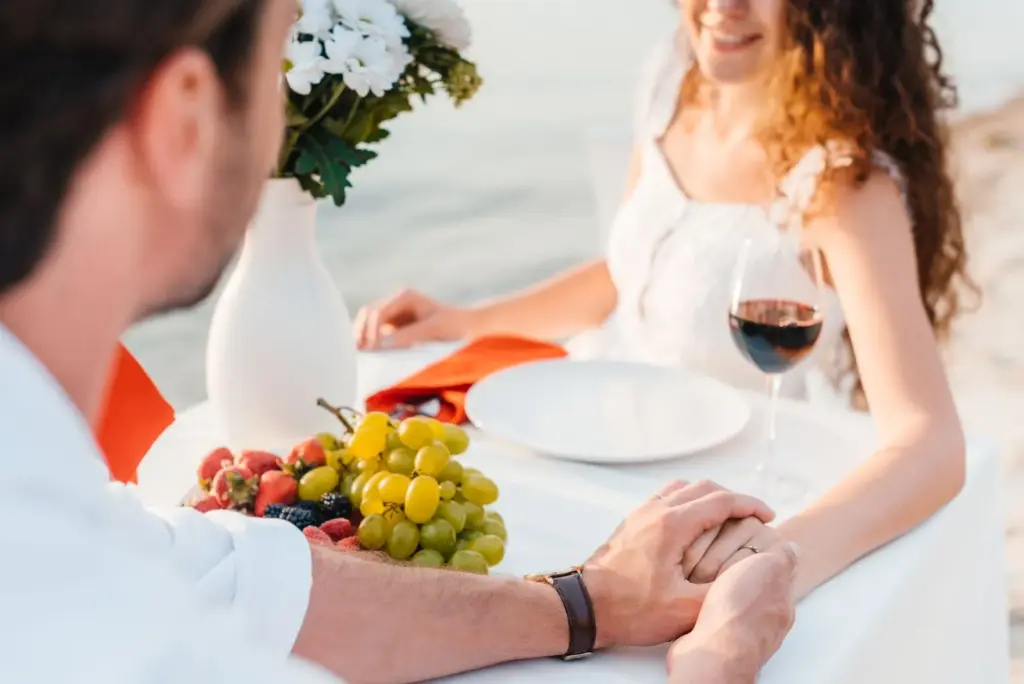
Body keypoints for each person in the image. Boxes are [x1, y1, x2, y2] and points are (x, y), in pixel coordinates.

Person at [0, 1, 797, 682]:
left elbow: (236, 575)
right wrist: (719, 661)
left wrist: (586, 602)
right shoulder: (102, 633)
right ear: (184, 120)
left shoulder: (58, 520)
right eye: (278, 56)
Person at [355, 0, 969, 599]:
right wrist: (463, 319)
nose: (722, 7)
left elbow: (930, 443)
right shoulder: (675, 82)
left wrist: (774, 556)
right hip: (591, 433)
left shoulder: (845, 182)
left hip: (720, 494)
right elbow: (632, 273)